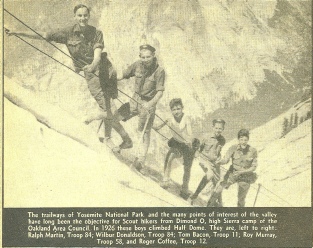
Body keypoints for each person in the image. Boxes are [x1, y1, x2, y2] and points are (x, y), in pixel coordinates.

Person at [5, 4, 125, 145]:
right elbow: (44, 35)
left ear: (89, 16)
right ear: (75, 17)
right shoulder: (67, 33)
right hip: (92, 75)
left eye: (85, 15)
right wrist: (17, 32)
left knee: (109, 106)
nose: (83, 18)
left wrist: (92, 66)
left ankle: (107, 135)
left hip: (106, 70)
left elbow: (98, 56)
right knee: (110, 109)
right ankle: (97, 124)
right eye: (79, 16)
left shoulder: (96, 33)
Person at [112, 44, 165, 172]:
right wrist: (110, 79)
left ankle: (140, 160)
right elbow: (123, 75)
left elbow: (160, 92)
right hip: (134, 100)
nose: (146, 59)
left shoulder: (159, 71)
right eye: (143, 57)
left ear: (153, 56)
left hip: (147, 104)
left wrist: (150, 104)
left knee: (144, 132)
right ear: (140, 56)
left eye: (148, 57)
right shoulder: (137, 65)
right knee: (114, 119)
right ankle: (126, 141)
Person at [154, 98, 200, 200]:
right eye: (174, 109)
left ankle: (184, 189)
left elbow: (190, 132)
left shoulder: (186, 118)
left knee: (187, 168)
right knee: (169, 156)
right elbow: (163, 123)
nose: (176, 111)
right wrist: (157, 127)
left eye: (178, 109)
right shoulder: (170, 118)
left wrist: (190, 140)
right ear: (171, 110)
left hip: (188, 145)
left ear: (182, 108)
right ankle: (166, 180)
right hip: (177, 143)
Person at [207, 129, 258, 207]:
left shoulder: (253, 151)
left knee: (241, 198)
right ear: (238, 139)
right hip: (233, 173)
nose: (243, 142)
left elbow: (253, 167)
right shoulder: (233, 148)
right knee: (220, 187)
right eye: (241, 139)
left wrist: (242, 172)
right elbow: (225, 160)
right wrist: (219, 162)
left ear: (248, 140)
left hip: (246, 176)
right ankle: (209, 206)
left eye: (245, 140)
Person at [189, 119, 226, 206]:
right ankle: (194, 196)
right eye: (216, 128)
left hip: (214, 163)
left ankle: (219, 203)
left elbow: (218, 152)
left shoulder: (222, 140)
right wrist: (196, 154)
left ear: (223, 129)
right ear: (213, 127)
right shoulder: (206, 137)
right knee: (210, 175)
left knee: (219, 183)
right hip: (204, 160)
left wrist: (219, 159)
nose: (218, 130)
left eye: (220, 128)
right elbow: (198, 148)